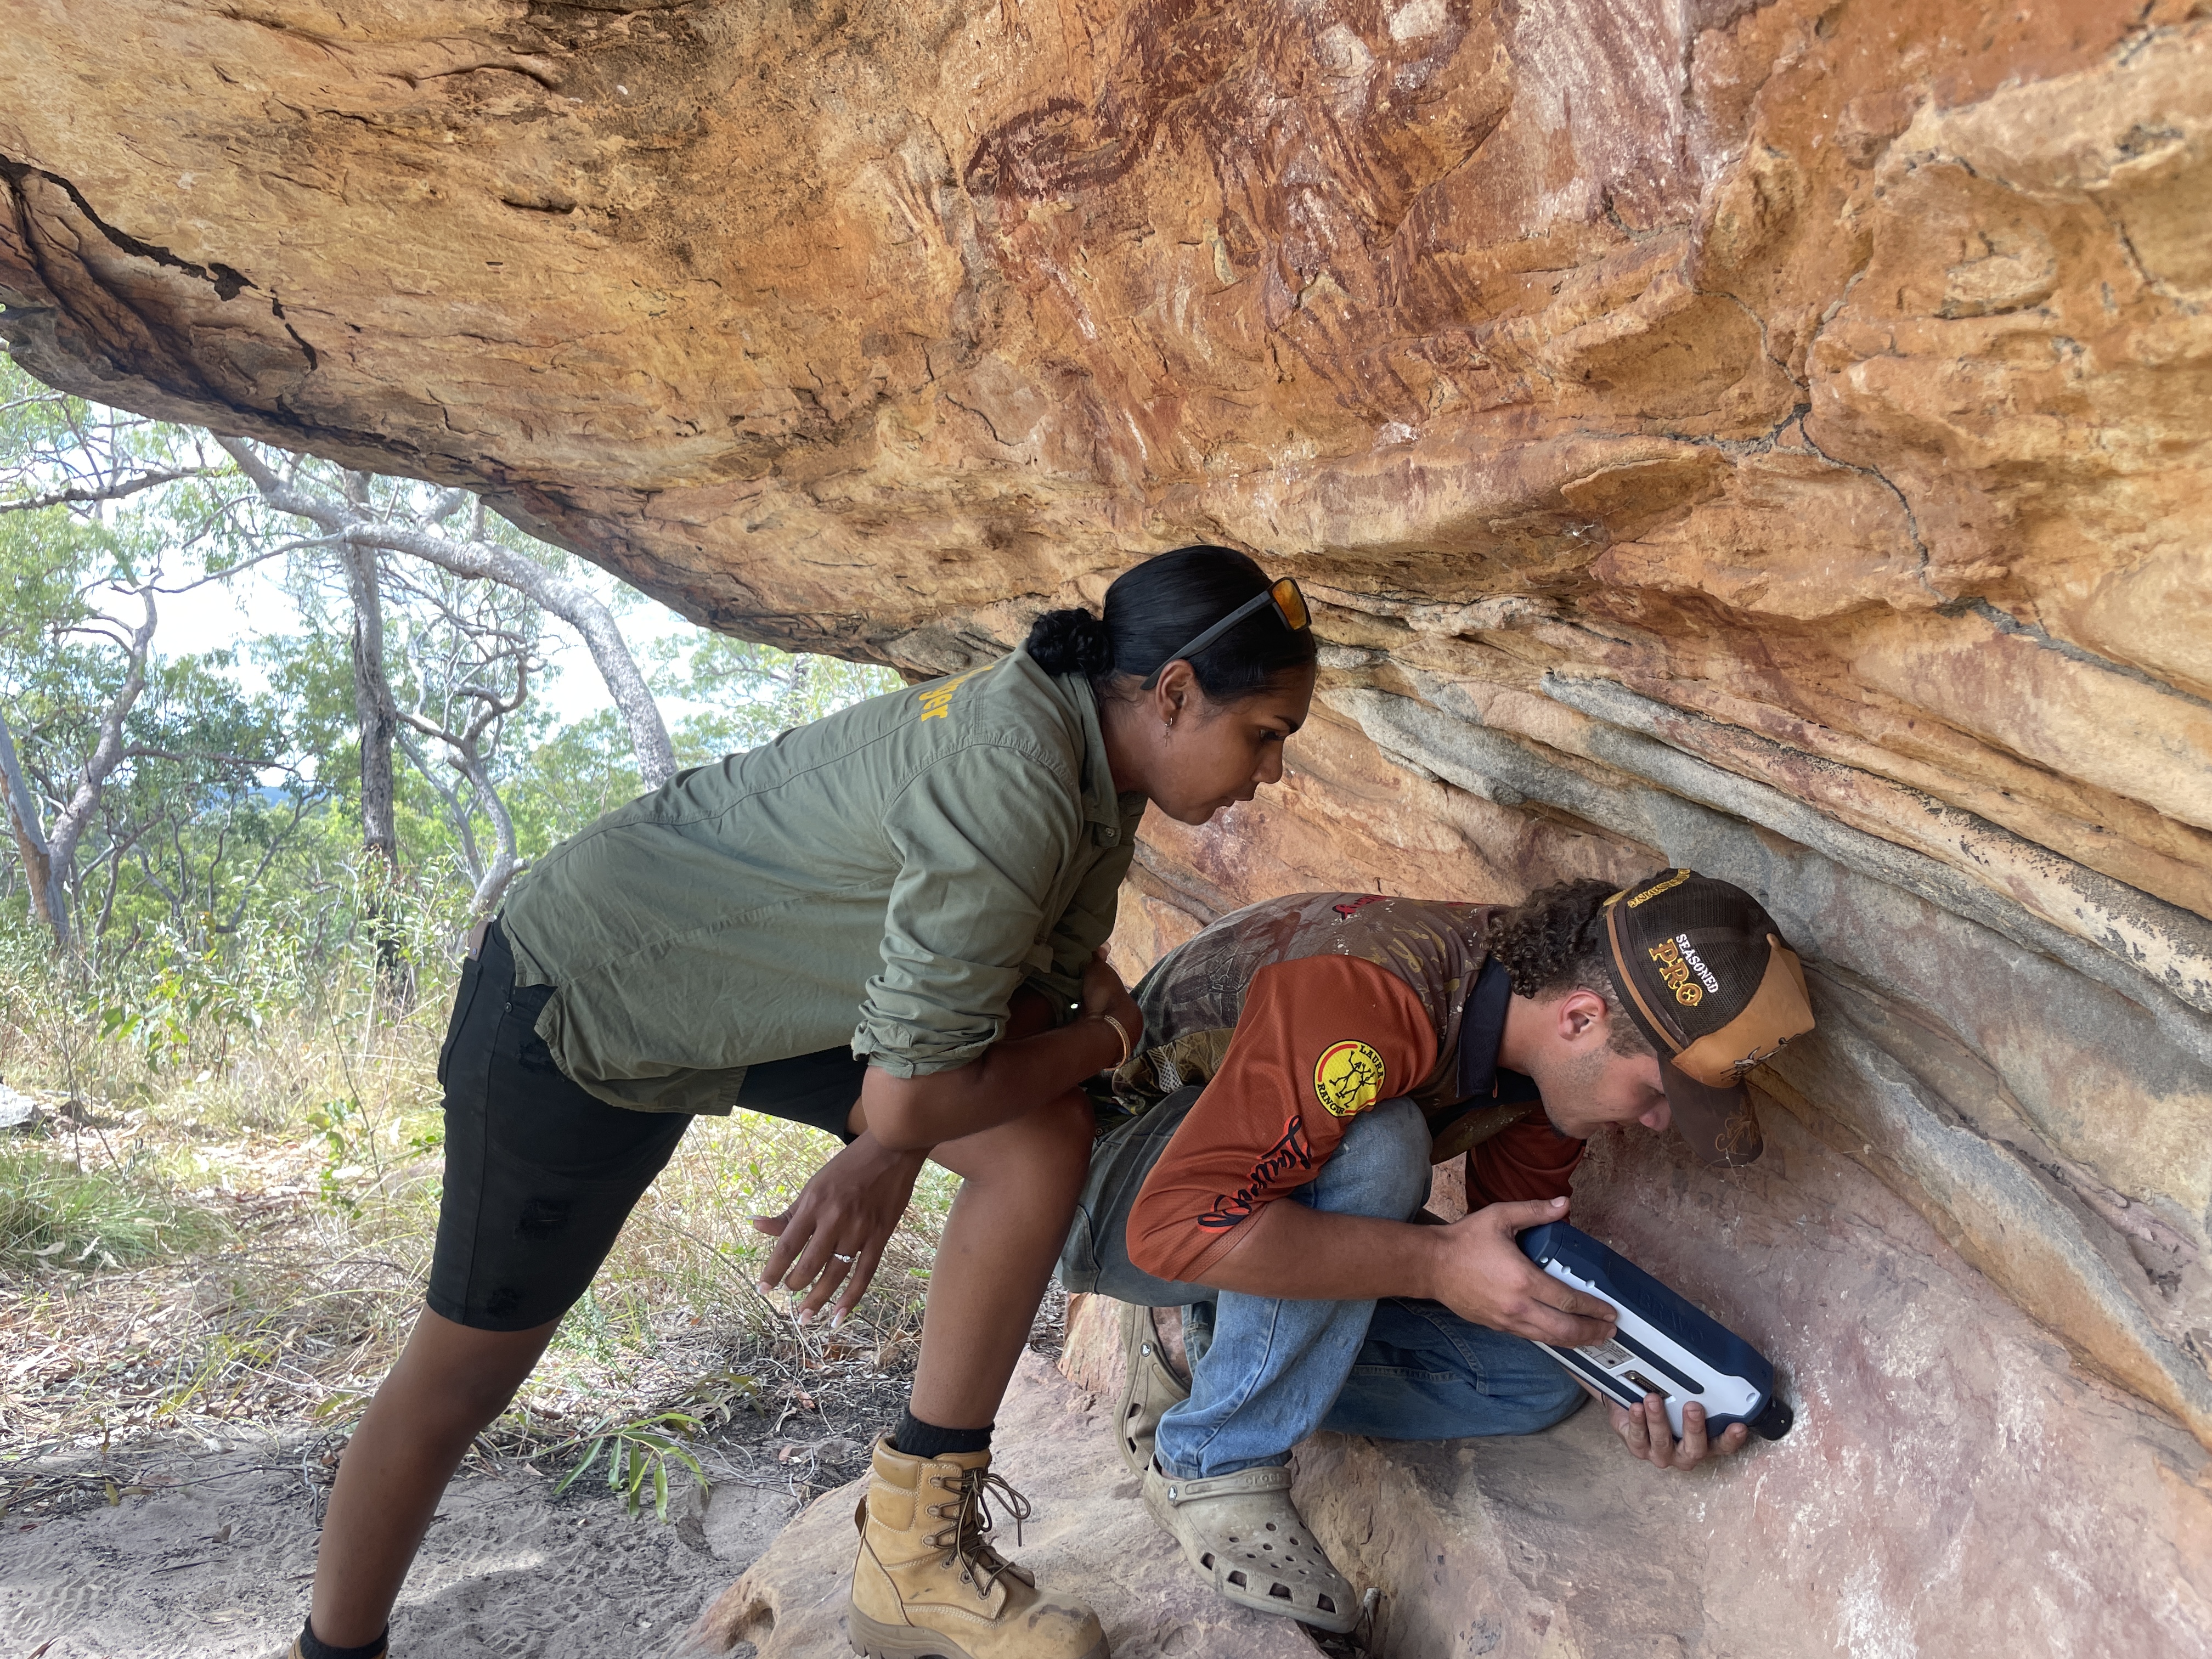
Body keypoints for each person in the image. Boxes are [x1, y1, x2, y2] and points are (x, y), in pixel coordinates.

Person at [289, 546, 1318, 1659]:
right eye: (1265, 734)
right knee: (464, 1374)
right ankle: (333, 1648)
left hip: (762, 1001)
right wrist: (1081, 1049)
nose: (1271, 773)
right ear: (1171, 692)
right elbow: (963, 1069)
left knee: (1035, 1142)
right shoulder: (1014, 770)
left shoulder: (1091, 766)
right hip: (584, 994)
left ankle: (914, 1557)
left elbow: (1015, 1011)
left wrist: (891, 1142)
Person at [1058, 873, 1816, 1633]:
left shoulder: (1540, 1052)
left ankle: (1203, 1346)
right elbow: (1174, 1226)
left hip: (1246, 1195)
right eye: (1658, 1093)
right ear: (1582, 1019)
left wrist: (1625, 1384)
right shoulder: (1376, 998)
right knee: (1382, 1143)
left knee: (1535, 1381)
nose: (1655, 1123)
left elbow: (1504, 1260)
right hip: (1108, 1184)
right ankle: (1216, 1458)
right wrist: (1434, 1265)